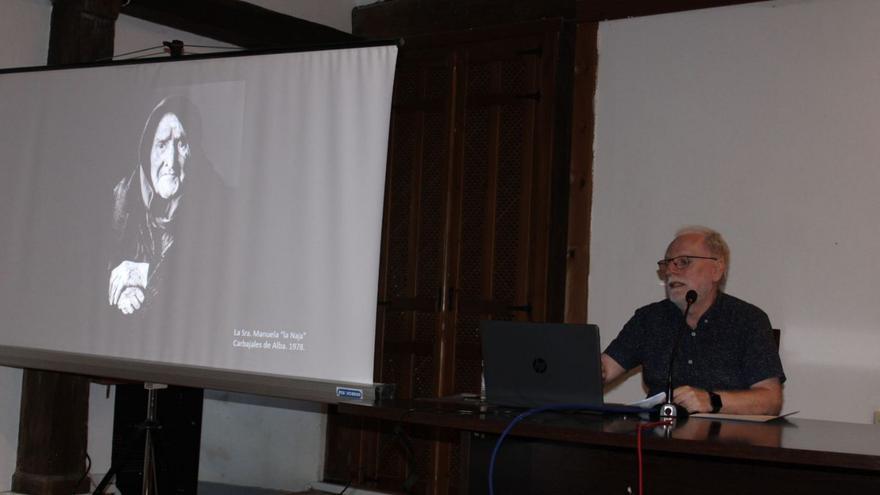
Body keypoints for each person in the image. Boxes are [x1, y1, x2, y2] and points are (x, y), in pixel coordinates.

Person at [601, 226, 785, 415]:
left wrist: (712, 400)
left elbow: (771, 400)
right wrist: (588, 369)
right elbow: (605, 369)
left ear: (717, 269)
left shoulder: (748, 320)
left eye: (683, 262)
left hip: (726, 438)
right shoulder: (649, 319)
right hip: (658, 436)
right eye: (667, 264)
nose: (670, 271)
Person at [108, 95, 223, 316]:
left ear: (194, 151)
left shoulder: (218, 201)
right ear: (146, 151)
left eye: (181, 144)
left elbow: (211, 279)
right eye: (161, 144)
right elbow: (106, 267)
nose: (170, 160)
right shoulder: (123, 197)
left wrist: (143, 274)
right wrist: (124, 292)